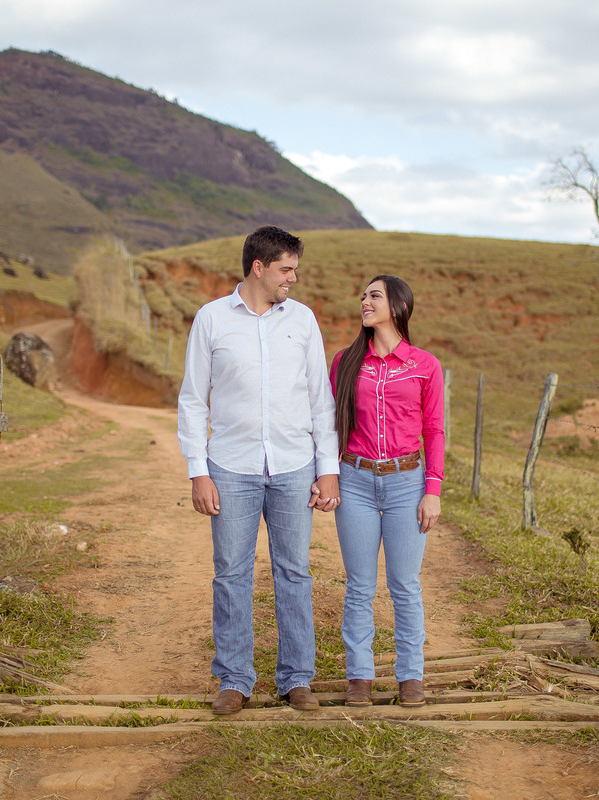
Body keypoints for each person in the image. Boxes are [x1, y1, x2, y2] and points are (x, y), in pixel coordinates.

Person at [177, 225, 340, 716]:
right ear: (259, 268)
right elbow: (192, 399)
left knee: (295, 573)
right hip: (230, 467)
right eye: (286, 269)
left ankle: (297, 679)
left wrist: (327, 468)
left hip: (294, 465)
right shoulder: (211, 320)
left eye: (295, 269)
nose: (293, 278)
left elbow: (320, 400)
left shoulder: (303, 320)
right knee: (230, 574)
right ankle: (234, 679)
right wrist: (197, 471)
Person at [330, 275, 444, 708]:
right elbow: (331, 423)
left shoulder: (423, 364)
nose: (364, 301)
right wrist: (327, 474)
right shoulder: (345, 361)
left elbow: (434, 430)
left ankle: (409, 676)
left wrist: (431, 489)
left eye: (373, 296)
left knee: (404, 584)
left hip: (406, 482)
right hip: (355, 480)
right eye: (362, 295)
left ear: (397, 306)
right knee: (359, 585)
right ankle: (359, 676)